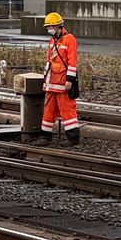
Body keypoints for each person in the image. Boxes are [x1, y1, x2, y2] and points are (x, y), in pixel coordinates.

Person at [33, 12, 81, 146]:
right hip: (51, 82)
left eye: (51, 26)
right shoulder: (53, 40)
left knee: (67, 111)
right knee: (48, 111)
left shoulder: (69, 39)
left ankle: (73, 138)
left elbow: (72, 62)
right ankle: (45, 136)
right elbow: (49, 60)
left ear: (58, 26)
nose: (49, 29)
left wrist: (69, 80)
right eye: (48, 27)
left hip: (62, 82)